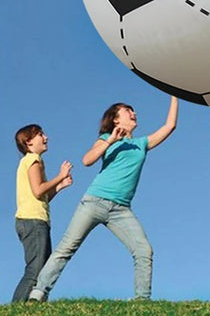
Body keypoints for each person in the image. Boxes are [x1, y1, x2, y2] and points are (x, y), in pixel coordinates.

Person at [29, 95, 179, 301]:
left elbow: (169, 126)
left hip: (121, 210)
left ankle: (143, 300)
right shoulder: (105, 140)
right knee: (66, 248)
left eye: (133, 111)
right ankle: (38, 293)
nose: (134, 113)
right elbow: (87, 160)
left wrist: (174, 95)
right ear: (115, 119)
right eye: (128, 111)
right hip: (94, 202)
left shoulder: (141, 144)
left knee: (143, 249)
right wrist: (111, 140)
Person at [12, 125, 73, 301]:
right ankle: (17, 309)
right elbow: (39, 190)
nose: (46, 137)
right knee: (36, 269)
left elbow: (41, 197)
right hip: (33, 221)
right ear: (29, 142)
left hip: (34, 220)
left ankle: (34, 306)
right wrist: (60, 176)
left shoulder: (31, 160)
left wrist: (59, 187)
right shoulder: (33, 160)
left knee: (42, 269)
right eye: (40, 135)